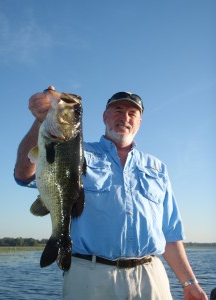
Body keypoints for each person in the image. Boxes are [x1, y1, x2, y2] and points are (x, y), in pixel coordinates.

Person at [14, 86, 208, 300]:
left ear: (139, 122)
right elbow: (24, 175)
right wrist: (41, 121)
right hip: (89, 275)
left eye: (132, 113)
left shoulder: (157, 167)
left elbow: (170, 233)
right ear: (105, 116)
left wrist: (189, 282)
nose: (124, 117)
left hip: (150, 276)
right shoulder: (75, 149)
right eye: (118, 110)